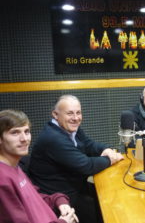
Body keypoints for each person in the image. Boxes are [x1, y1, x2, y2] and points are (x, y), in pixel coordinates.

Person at [29, 95, 124, 223]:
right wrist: (110, 159)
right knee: (106, 211)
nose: (75, 118)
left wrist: (106, 149)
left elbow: (89, 144)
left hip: (75, 186)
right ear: (55, 115)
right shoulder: (53, 138)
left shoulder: (68, 128)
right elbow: (86, 166)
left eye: (78, 113)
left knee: (111, 193)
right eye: (70, 113)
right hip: (60, 197)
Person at [0, 109, 78, 223]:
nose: (24, 139)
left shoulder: (15, 167)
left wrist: (58, 200)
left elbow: (34, 199)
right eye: (15, 133)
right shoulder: (2, 179)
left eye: (26, 131)